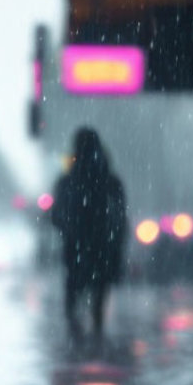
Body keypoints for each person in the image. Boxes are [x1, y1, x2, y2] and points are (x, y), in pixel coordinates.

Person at [50, 126, 128, 339]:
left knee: (72, 306)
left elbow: (56, 216)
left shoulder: (67, 181)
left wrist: (70, 231)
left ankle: (77, 344)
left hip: (76, 250)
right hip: (104, 251)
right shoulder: (111, 181)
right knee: (98, 306)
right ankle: (97, 339)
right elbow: (121, 219)